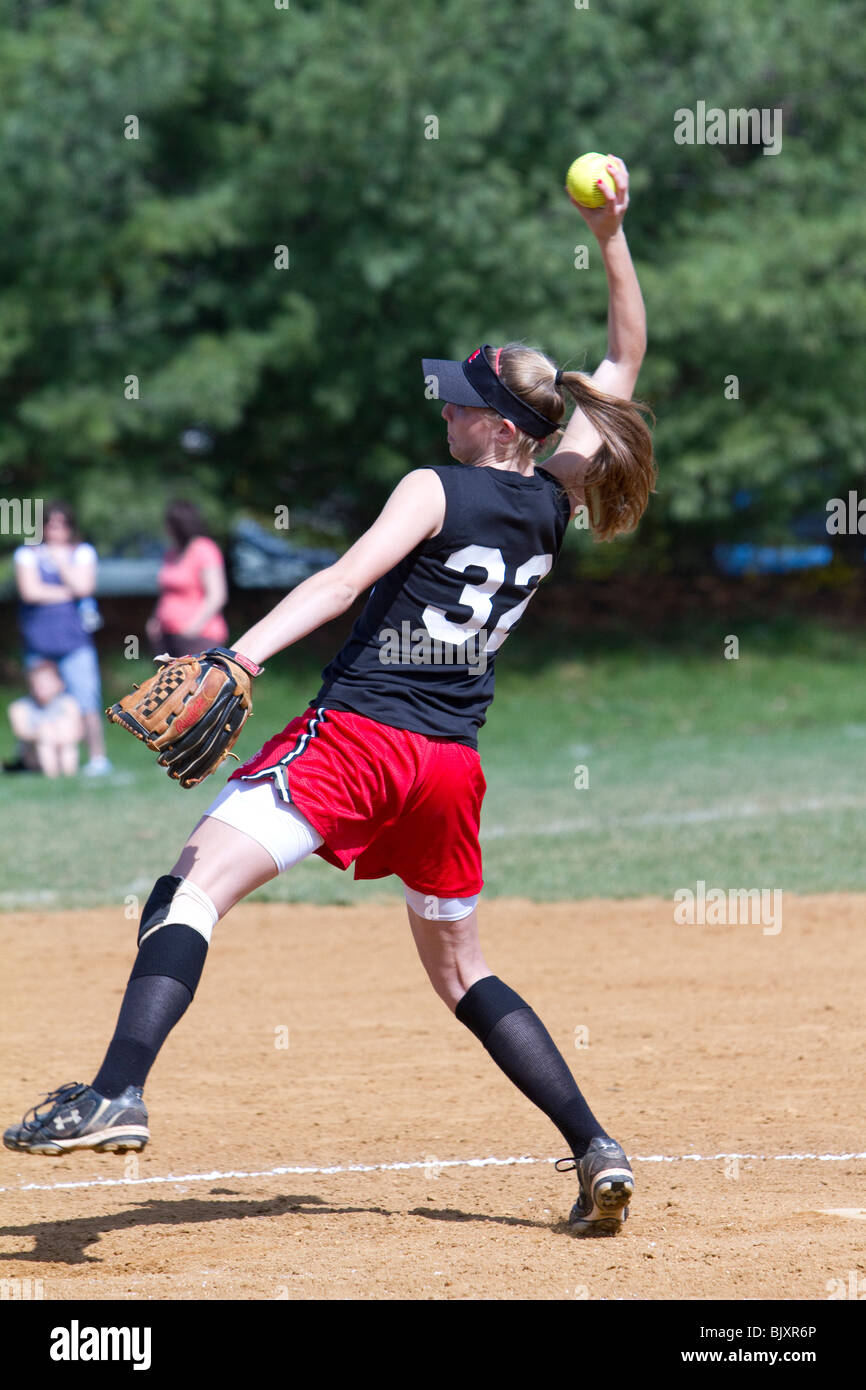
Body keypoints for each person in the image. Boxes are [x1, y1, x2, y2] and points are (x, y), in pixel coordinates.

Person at [4, 158, 655, 1236]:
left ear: (498, 424)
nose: (444, 409)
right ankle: (594, 1146)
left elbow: (340, 580)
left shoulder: (433, 487)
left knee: (188, 890)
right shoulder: (550, 499)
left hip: (355, 742)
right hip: (449, 769)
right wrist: (610, 235)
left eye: (459, 400)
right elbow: (622, 357)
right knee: (461, 973)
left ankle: (116, 1087)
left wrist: (241, 658)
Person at [13, 502, 112, 777]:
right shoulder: (27, 554)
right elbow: (30, 592)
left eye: (62, 523)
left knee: (86, 699)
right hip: (39, 639)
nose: (56, 529)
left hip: (74, 641)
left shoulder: (81, 552)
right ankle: (32, 760)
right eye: (50, 523)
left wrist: (58, 563)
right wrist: (69, 591)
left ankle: (97, 758)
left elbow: (85, 587)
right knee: (39, 701)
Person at [146, 501, 229, 659]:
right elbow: (167, 592)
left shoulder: (204, 548)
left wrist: (194, 627)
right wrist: (156, 619)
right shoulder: (172, 552)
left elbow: (217, 595)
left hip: (199, 637)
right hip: (167, 636)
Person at [6, 660, 84, 778]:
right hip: (32, 755)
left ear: (59, 684)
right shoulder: (19, 707)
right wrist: (42, 733)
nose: (41, 687)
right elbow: (21, 733)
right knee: (46, 734)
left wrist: (58, 733)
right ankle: (51, 776)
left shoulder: (69, 704)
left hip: (62, 745)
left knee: (64, 728)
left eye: (46, 682)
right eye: (37, 682)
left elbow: (78, 732)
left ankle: (69, 774)